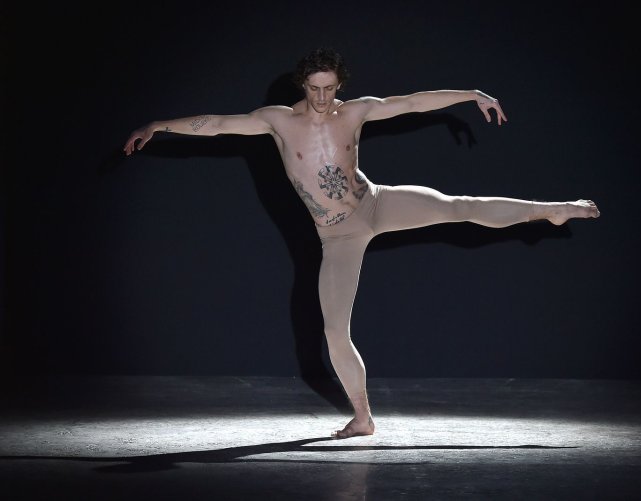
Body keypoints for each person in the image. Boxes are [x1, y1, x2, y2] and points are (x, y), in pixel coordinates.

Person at [123, 47, 600, 439]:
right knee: (335, 331)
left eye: (330, 89)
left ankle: (552, 209)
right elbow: (217, 124)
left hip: (375, 203)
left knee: (458, 206)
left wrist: (470, 94)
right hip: (337, 235)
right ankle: (363, 417)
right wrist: (158, 125)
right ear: (302, 85)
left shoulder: (354, 111)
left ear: (340, 86)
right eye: (315, 89)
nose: (322, 98)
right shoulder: (277, 121)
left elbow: (412, 102)